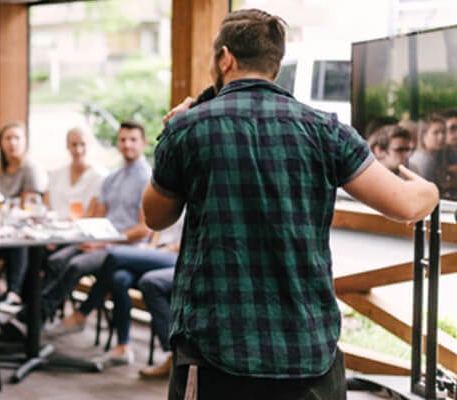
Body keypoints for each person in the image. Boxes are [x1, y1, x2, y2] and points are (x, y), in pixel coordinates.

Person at [144, 9, 439, 399]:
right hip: (307, 353)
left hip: (215, 350)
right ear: (275, 62)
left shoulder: (190, 127)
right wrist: (431, 190)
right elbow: (406, 205)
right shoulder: (326, 130)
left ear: (225, 58)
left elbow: (155, 215)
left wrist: (171, 135)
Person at [40, 120, 152, 326]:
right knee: (55, 259)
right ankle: (38, 313)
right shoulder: (112, 178)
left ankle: (37, 316)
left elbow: (144, 229)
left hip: (124, 247)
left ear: (143, 143)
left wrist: (101, 243)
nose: (127, 144)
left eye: (133, 140)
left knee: (75, 265)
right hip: (100, 242)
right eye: (123, 139)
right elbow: (98, 217)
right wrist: (89, 238)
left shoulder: (147, 180)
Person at [57, 218, 182, 366]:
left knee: (114, 256)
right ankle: (123, 347)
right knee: (119, 279)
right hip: (151, 251)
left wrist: (155, 250)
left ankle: (83, 312)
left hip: (171, 256)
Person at [0, 122, 48, 306]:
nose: (12, 143)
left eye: (17, 138)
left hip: (28, 230)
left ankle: (13, 293)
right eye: (8, 138)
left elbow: (29, 204)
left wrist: (4, 206)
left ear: (25, 142)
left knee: (17, 241)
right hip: (2, 228)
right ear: (1, 143)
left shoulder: (31, 168)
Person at [44, 126, 105, 219]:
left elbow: (92, 213)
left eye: (83, 144)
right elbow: (46, 205)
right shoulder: (56, 174)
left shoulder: (99, 176)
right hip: (53, 226)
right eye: (74, 144)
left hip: (81, 229)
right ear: (67, 146)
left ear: (90, 145)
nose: (78, 150)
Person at [408, 114, 446, 185]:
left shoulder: (432, 157)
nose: (441, 137)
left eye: (443, 132)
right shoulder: (424, 160)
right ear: (423, 136)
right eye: (436, 132)